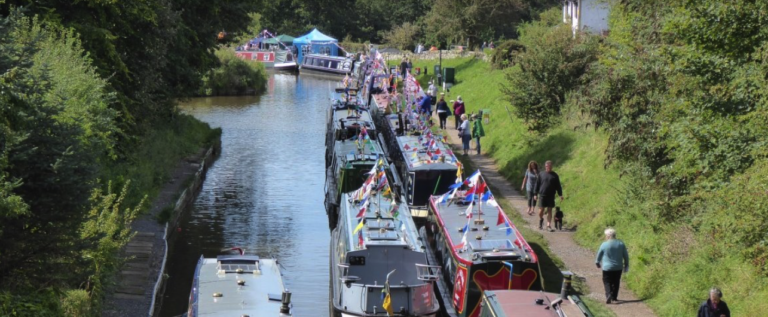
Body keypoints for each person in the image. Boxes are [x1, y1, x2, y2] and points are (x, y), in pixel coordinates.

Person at [595, 228, 629, 304]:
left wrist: (597, 262)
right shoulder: (621, 244)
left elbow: (599, 254)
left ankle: (608, 294)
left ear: (607, 236)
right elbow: (625, 255)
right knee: (616, 281)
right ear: (614, 235)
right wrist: (626, 264)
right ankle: (614, 297)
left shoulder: (604, 244)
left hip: (607, 268)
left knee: (607, 281)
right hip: (618, 267)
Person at [533, 160, 563, 231]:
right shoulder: (541, 174)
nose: (548, 167)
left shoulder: (555, 175)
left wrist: (560, 194)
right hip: (542, 195)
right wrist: (535, 194)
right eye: (547, 166)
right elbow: (537, 184)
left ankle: (548, 225)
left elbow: (558, 186)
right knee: (541, 210)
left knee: (549, 210)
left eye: (550, 166)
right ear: (545, 166)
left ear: (551, 166)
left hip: (551, 195)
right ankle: (541, 219)